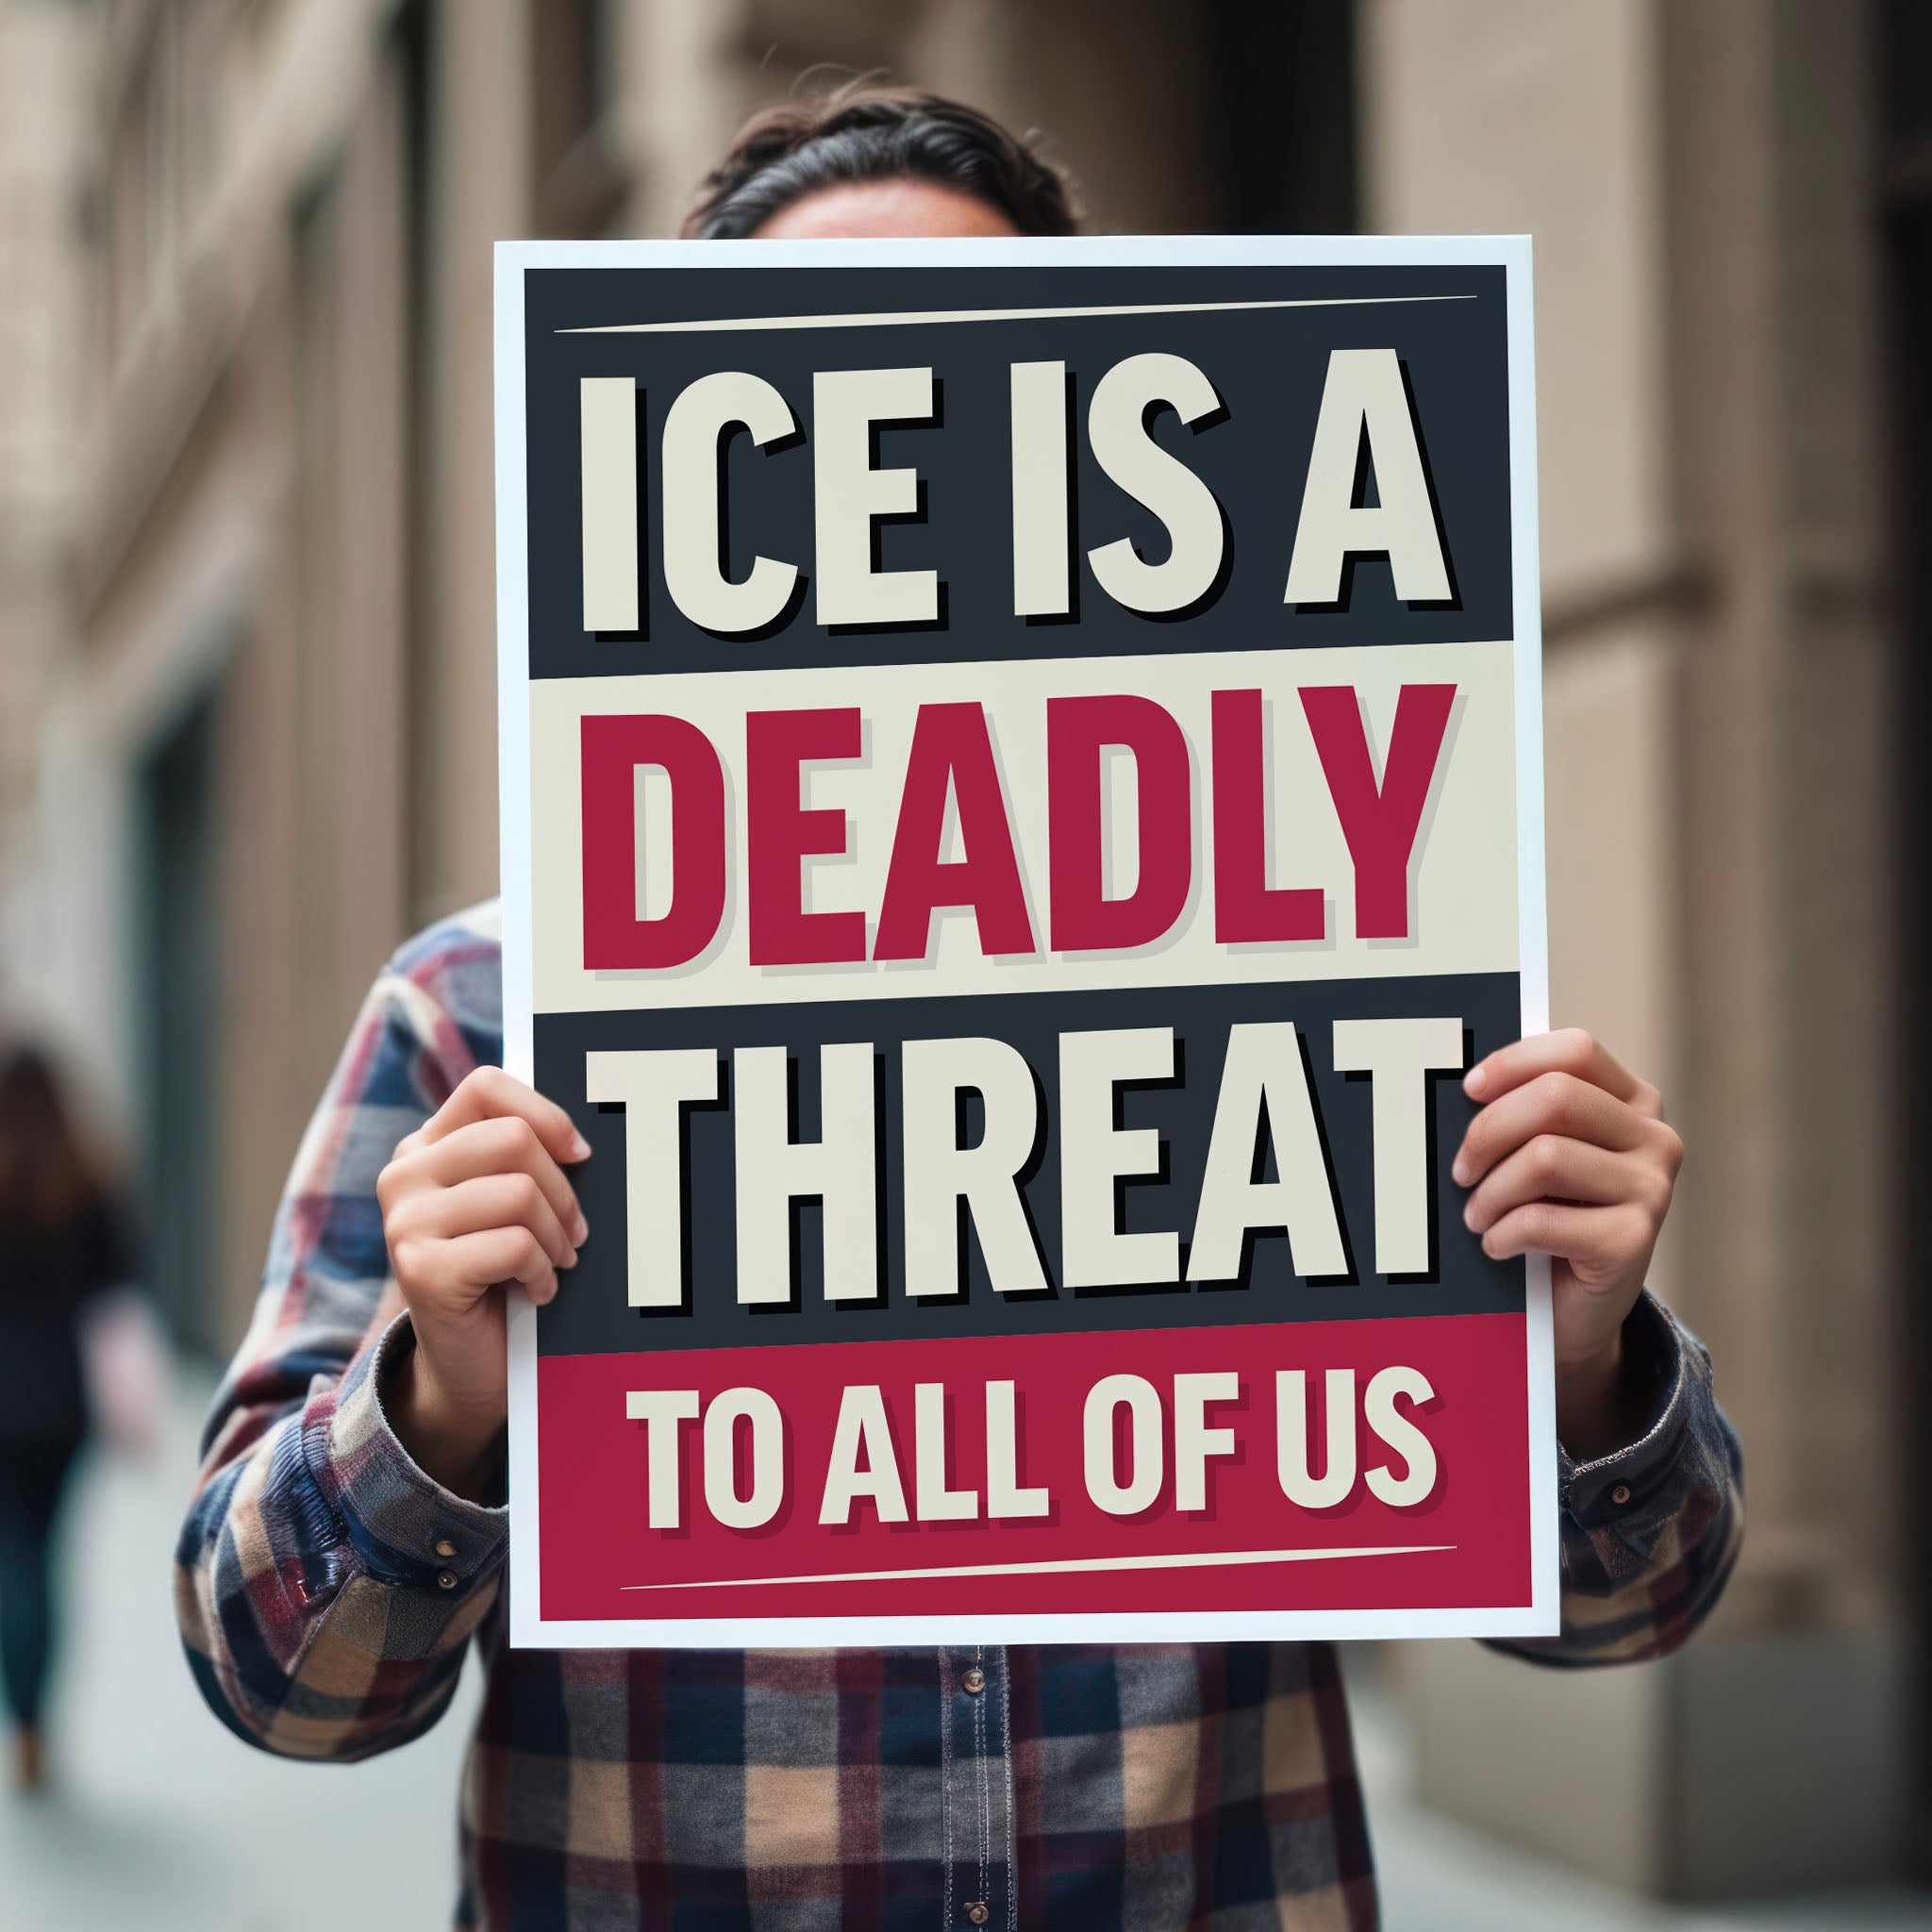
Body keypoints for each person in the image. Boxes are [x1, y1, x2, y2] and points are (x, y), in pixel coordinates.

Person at [176, 85, 1742, 1931]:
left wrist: (1568, 1365)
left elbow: (1630, 1613)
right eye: (813, 382)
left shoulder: (1331, 971)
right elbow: (282, 1681)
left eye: (972, 366)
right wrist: (443, 1404)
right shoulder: (477, 1014)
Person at [0, 1045, 133, 1793]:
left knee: (10, 1562)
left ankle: (21, 1714)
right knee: (45, 1562)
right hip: (61, 1407)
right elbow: (116, 1287)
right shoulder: (83, 1176)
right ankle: (35, 1722)